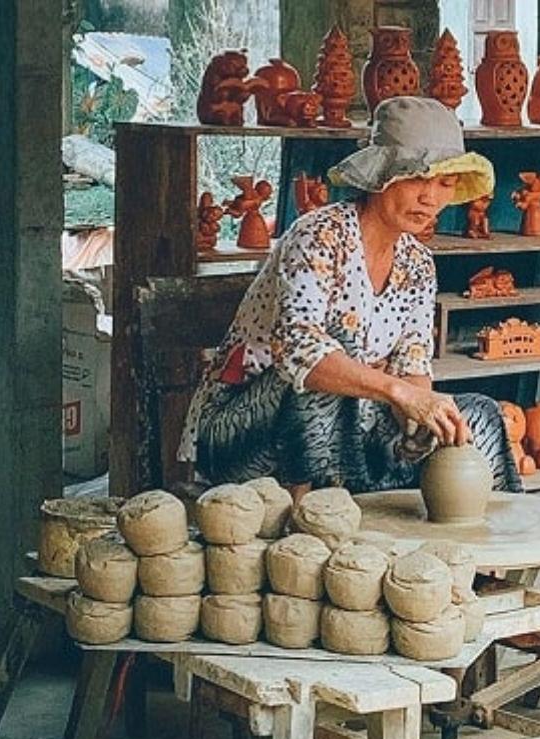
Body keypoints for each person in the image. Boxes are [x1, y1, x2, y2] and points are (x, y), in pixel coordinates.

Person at [178, 96, 522, 497]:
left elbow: (412, 366)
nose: (430, 197)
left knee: (477, 416)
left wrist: (419, 423)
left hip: (348, 438)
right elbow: (300, 352)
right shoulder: (319, 235)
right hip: (241, 438)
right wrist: (397, 393)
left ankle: (488, 555)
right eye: (416, 178)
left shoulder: (418, 264)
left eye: (444, 183)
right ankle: (312, 527)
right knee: (325, 364)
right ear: (381, 176)